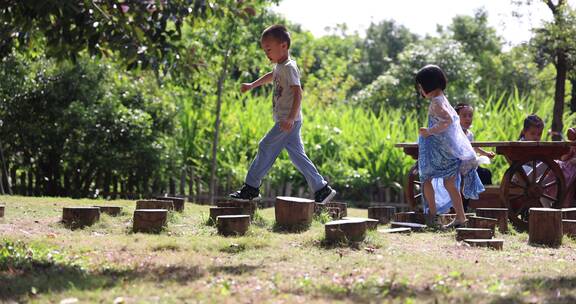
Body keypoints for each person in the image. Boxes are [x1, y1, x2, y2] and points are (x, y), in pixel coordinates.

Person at [229, 24, 336, 204]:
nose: (266, 54)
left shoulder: (289, 67)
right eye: (264, 50)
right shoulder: (280, 67)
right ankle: (322, 188)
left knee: (265, 146)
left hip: (287, 122)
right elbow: (272, 76)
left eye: (269, 49)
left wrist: (290, 119)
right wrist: (252, 85)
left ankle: (251, 187)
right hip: (289, 121)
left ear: (283, 46)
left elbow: (298, 93)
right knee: (298, 157)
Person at [416, 65, 484, 229]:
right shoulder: (442, 99)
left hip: (439, 153)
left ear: (428, 85)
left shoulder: (436, 103)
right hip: (447, 150)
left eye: (420, 87)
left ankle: (433, 215)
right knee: (450, 184)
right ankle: (460, 217)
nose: (420, 91)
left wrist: (429, 131)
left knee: (426, 179)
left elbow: (447, 122)